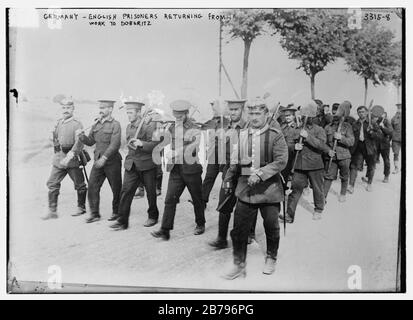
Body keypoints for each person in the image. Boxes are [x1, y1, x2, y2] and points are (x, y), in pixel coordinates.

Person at [222, 97, 288, 279]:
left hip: (269, 191)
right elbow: (235, 159)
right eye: (251, 113)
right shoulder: (243, 134)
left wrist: (260, 173)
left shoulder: (276, 134)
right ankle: (238, 264)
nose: (254, 117)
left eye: (258, 113)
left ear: (266, 114)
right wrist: (228, 178)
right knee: (239, 230)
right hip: (246, 191)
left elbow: (281, 160)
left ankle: (271, 258)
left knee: (271, 227)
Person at [151, 100, 205, 240]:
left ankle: (200, 223)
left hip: (191, 169)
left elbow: (194, 145)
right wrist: (158, 128)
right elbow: (163, 139)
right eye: (176, 116)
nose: (178, 119)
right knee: (170, 199)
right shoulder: (173, 127)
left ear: (187, 113)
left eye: (180, 116)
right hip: (176, 169)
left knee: (197, 199)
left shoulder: (195, 128)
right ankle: (165, 230)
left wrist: (177, 152)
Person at [110, 101, 160, 230]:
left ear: (138, 113)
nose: (128, 115)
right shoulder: (129, 127)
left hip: (147, 165)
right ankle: (122, 221)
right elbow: (129, 144)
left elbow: (155, 144)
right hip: (131, 164)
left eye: (131, 112)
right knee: (126, 192)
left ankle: (153, 216)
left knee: (150, 193)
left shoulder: (149, 125)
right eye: (127, 112)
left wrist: (142, 143)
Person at [208, 99, 247, 250]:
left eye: (236, 109)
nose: (233, 112)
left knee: (246, 204)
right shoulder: (225, 127)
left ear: (242, 110)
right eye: (231, 110)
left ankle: (248, 234)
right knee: (224, 204)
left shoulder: (248, 127)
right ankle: (221, 238)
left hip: (244, 171)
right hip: (229, 171)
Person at [282, 100, 328, 223]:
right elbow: (288, 144)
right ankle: (289, 215)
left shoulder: (319, 130)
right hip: (299, 165)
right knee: (296, 190)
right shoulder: (295, 129)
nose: (306, 118)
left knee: (318, 189)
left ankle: (319, 209)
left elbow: (322, 146)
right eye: (303, 115)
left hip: (315, 164)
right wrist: (294, 147)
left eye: (309, 116)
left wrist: (308, 137)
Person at [77, 100, 122, 223]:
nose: (100, 109)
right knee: (92, 186)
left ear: (111, 109)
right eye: (100, 107)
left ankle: (117, 212)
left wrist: (104, 158)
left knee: (116, 188)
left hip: (112, 161)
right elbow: (91, 141)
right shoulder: (96, 124)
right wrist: (82, 137)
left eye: (104, 107)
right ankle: (94, 214)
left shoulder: (115, 124)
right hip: (98, 161)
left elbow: (115, 144)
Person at [43, 98, 87, 220]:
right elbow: (54, 139)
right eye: (63, 108)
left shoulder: (77, 124)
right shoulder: (58, 123)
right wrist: (51, 138)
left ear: (73, 109)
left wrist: (69, 157)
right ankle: (52, 211)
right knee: (52, 183)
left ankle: (81, 207)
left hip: (72, 159)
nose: (65, 110)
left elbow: (79, 143)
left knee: (80, 185)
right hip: (58, 158)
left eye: (68, 108)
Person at [323, 101, 354, 203]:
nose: (336, 115)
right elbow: (323, 142)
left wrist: (341, 138)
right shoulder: (327, 127)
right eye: (334, 113)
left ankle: (343, 193)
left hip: (344, 156)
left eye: (338, 112)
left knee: (344, 176)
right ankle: (323, 197)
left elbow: (351, 141)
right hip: (332, 156)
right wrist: (328, 151)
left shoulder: (347, 126)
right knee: (328, 177)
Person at [201, 99, 230, 208]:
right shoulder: (211, 121)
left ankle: (226, 201)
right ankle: (202, 201)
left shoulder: (228, 122)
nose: (213, 110)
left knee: (226, 179)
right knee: (209, 177)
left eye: (215, 108)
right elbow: (203, 127)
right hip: (214, 155)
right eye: (213, 108)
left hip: (225, 156)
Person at [348, 106, 383, 193]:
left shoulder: (372, 123)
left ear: (367, 113)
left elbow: (380, 136)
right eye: (359, 112)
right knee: (354, 166)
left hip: (370, 148)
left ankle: (369, 184)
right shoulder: (355, 124)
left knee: (371, 166)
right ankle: (351, 185)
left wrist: (371, 132)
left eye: (363, 112)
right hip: (358, 147)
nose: (361, 113)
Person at [376, 111, 393, 183]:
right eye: (380, 114)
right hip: (376, 144)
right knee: (372, 160)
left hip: (384, 144)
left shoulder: (387, 122)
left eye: (383, 115)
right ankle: (369, 176)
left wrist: (383, 127)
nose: (381, 116)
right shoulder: (375, 121)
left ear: (385, 116)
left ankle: (386, 176)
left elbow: (390, 132)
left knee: (386, 160)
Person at [391, 103, 402, 174]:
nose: (399, 109)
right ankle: (396, 168)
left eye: (400, 107)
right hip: (396, 139)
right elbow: (391, 129)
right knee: (396, 153)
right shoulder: (394, 118)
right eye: (398, 108)